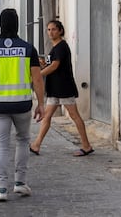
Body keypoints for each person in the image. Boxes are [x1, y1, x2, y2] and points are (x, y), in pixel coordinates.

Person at [0, 8, 45, 202]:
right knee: (23, 140)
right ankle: (20, 183)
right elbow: (37, 80)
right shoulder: (28, 48)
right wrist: (41, 103)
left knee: (1, 145)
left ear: (0, 25)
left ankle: (1, 189)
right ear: (17, 24)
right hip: (22, 104)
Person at [29, 20, 94, 157]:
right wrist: (42, 64)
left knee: (74, 115)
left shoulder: (61, 47)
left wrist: (38, 75)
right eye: (48, 29)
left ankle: (86, 146)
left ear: (60, 31)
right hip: (54, 89)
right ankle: (36, 145)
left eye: (53, 29)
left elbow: (54, 66)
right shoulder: (54, 48)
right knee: (47, 116)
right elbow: (49, 64)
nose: (50, 32)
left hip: (64, 87)